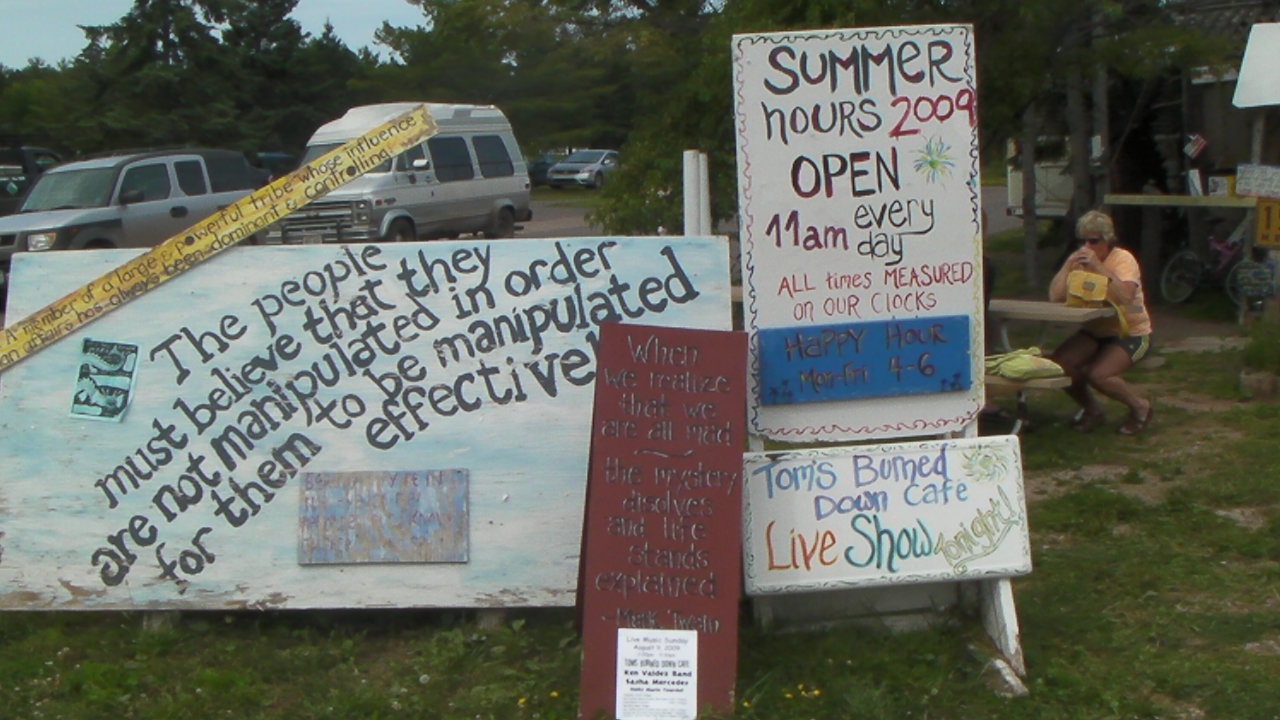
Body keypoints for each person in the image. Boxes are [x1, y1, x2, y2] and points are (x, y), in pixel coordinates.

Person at [1048, 210, 1154, 435]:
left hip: (1130, 331)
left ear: (1107, 240)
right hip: (1096, 330)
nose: (1088, 246)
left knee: (1099, 374)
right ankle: (1092, 408)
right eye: (1083, 241)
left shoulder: (1123, 259)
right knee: (1061, 365)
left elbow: (1126, 296)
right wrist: (1068, 264)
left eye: (1093, 241)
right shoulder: (1080, 260)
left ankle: (1140, 407)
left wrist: (1099, 267)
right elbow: (1055, 296)